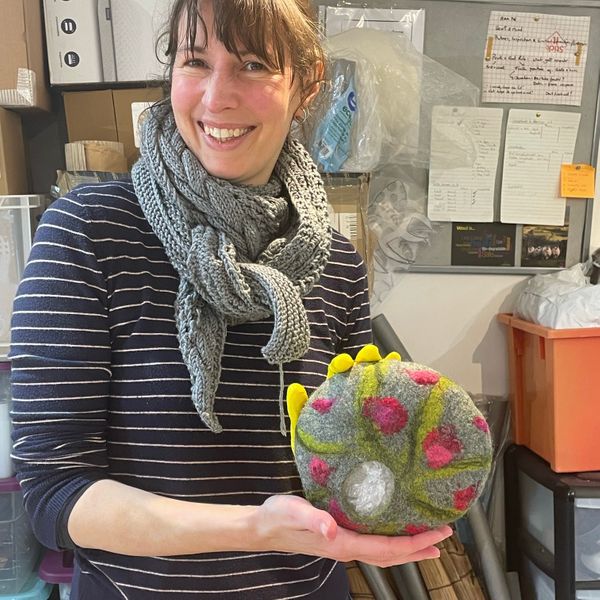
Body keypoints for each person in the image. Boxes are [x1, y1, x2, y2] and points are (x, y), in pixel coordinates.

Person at [9, 1, 452, 598]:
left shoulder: (336, 262)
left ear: (306, 85)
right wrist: (256, 528)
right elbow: (54, 493)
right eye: (195, 62)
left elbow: (350, 460)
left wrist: (412, 464)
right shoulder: (86, 233)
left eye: (251, 65)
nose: (217, 97)